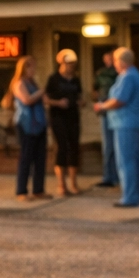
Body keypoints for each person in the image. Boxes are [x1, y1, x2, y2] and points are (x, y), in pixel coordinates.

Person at [92, 47, 139, 207]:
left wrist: (102, 106)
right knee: (135, 160)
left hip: (126, 123)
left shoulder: (128, 77)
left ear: (122, 62)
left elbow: (119, 100)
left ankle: (130, 196)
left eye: (116, 60)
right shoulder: (136, 76)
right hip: (133, 122)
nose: (114, 64)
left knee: (126, 161)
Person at [3, 54, 49, 200]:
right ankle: (21, 191)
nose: (34, 70)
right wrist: (40, 93)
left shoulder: (33, 83)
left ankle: (38, 189)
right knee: (26, 157)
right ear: (24, 68)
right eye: (32, 67)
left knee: (40, 158)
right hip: (25, 124)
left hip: (39, 124)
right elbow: (26, 100)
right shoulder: (19, 83)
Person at [45, 49, 84, 196]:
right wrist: (57, 103)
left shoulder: (76, 79)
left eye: (73, 64)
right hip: (58, 117)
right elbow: (46, 99)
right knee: (61, 148)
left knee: (74, 147)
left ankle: (73, 183)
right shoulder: (53, 79)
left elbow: (79, 95)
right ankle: (61, 185)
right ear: (62, 63)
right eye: (69, 64)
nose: (71, 67)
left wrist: (80, 102)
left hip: (73, 117)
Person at [92, 51, 119, 188]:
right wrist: (99, 102)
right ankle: (109, 176)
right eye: (106, 59)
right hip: (105, 111)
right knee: (108, 145)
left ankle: (119, 176)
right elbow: (94, 89)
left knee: (119, 146)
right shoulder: (101, 73)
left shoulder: (120, 74)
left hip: (118, 111)